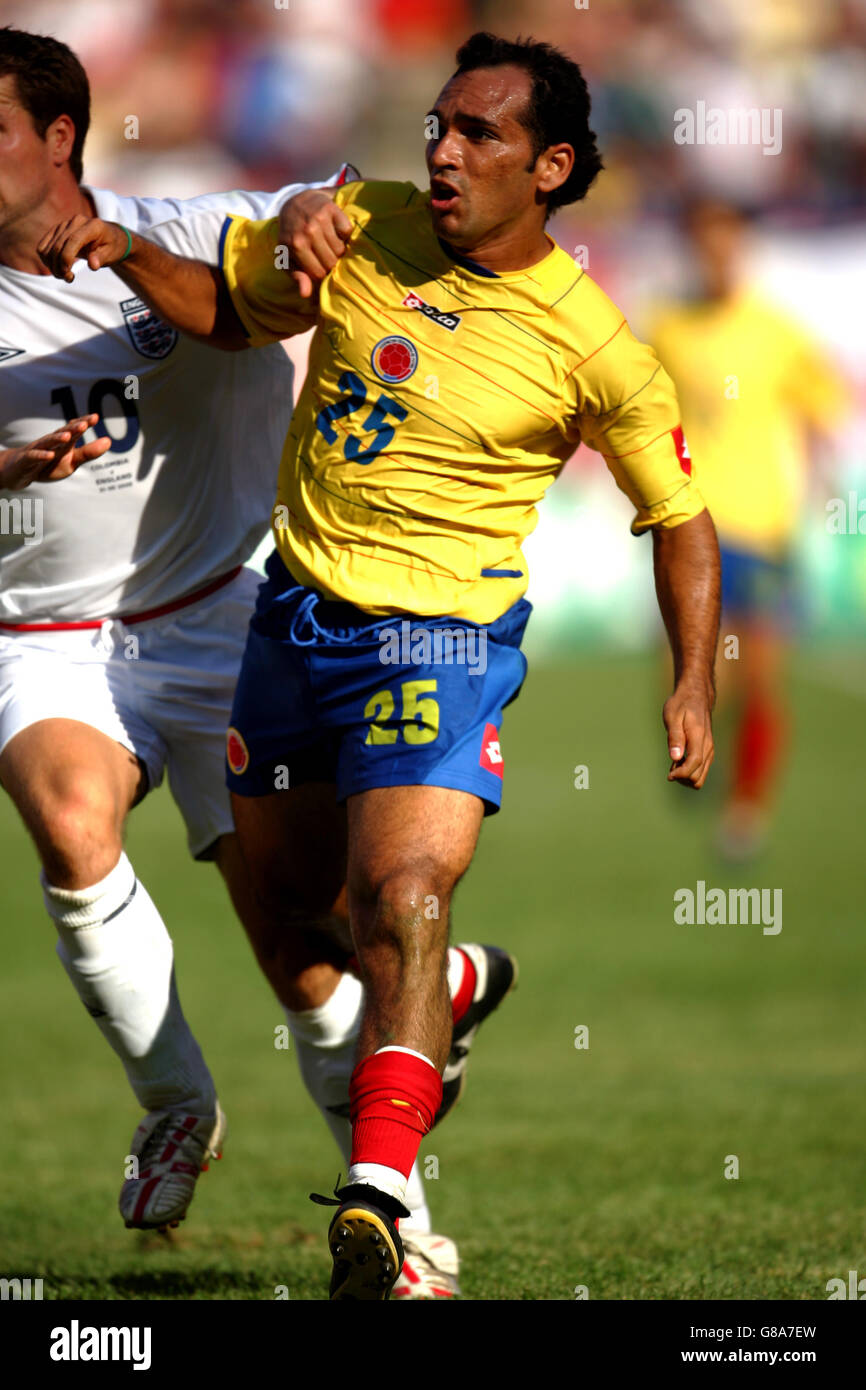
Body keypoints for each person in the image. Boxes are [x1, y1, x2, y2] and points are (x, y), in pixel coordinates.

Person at [42, 30, 721, 1300]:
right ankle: (449, 987)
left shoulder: (593, 348)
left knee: (404, 893)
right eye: (438, 125)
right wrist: (135, 252)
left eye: (478, 135)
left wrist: (689, 678)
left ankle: (384, 1201)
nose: (443, 151)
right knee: (309, 915)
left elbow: (680, 515)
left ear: (552, 166)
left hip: (441, 645)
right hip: (293, 619)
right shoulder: (360, 223)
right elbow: (235, 312)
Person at [0, 25, 508, 1299]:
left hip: (222, 616)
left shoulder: (180, 215)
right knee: (71, 825)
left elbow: (287, 235)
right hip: (44, 637)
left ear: (60, 140)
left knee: (312, 956)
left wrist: (305, 224)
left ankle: (401, 1234)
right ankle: (176, 1102)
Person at [649, 200, 849, 857]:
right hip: (692, 526)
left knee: (759, 677)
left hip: (763, 530)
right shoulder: (669, 329)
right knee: (692, 681)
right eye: (705, 245)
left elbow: (824, 400)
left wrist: (825, 474)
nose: (717, 257)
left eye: (727, 245)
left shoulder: (776, 332)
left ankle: (745, 813)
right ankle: (708, 756)